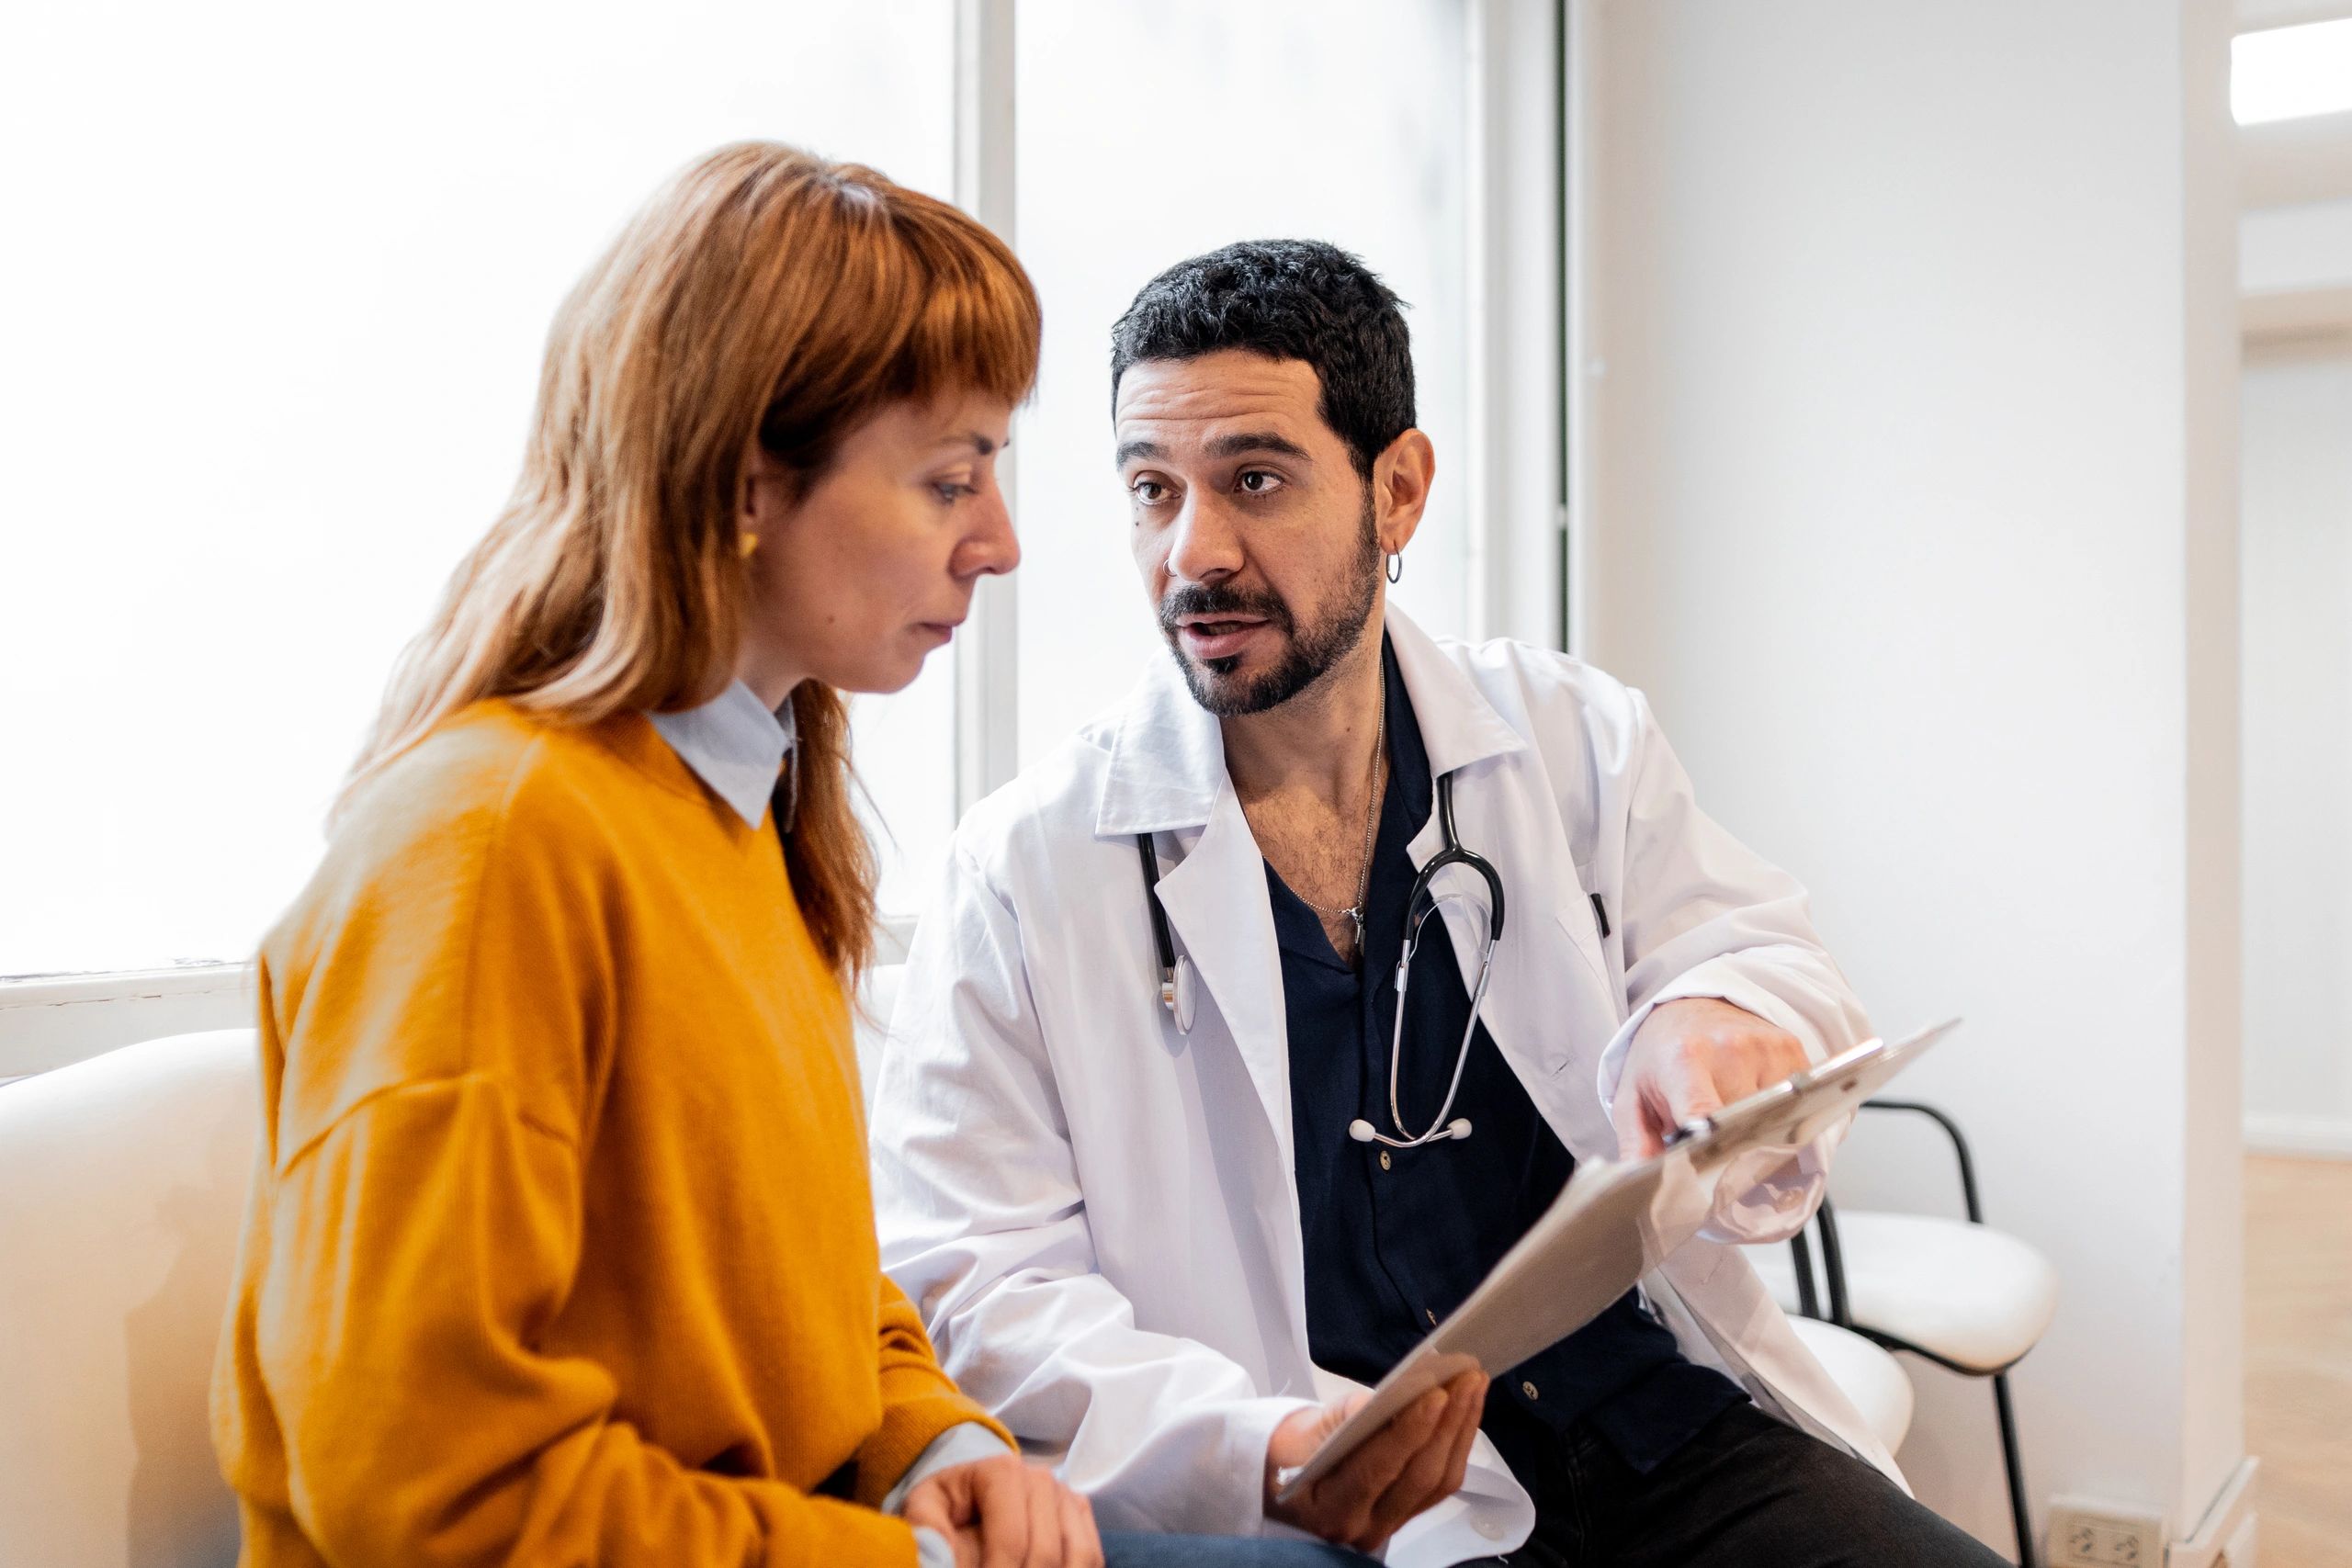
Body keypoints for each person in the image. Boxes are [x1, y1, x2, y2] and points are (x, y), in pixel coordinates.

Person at [210, 145, 1361, 1568]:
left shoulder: (752, 822)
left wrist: (931, 1440)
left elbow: (803, 1293)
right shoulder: (492, 850)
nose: (999, 545)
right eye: (951, 482)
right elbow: (426, 1497)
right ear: (751, 485)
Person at [868, 240, 2012, 1568]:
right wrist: (1256, 1448)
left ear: (1397, 490)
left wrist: (1714, 1014)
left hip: (1650, 1427)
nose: (1194, 552)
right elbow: (976, 1286)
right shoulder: (1026, 869)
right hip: (1360, 1496)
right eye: (1151, 490)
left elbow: (1748, 943)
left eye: (1254, 479)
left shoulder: (1566, 735)